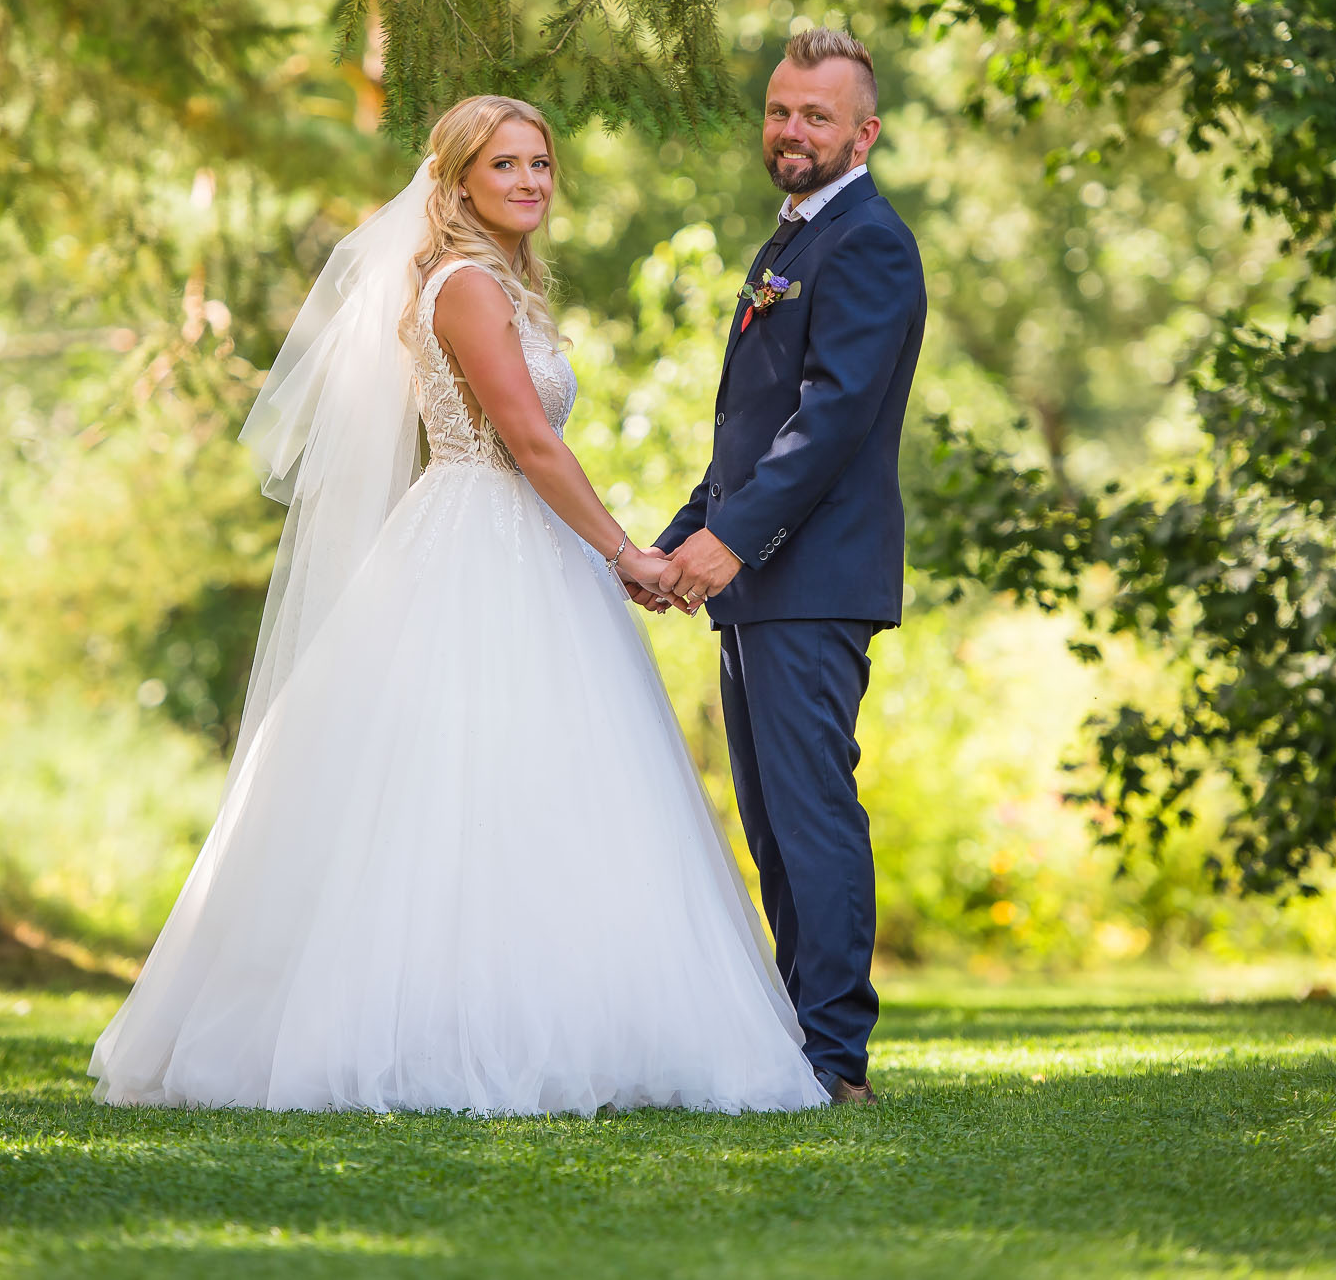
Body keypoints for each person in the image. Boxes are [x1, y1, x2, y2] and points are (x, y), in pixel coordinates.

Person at [89, 94, 828, 1115]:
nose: (529, 180)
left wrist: (609, 551)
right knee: (454, 781)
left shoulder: (503, 285)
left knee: (544, 784)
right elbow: (527, 442)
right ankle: (436, 1028)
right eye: (504, 164)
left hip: (525, 542)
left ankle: (562, 1016)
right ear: (459, 183)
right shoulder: (468, 286)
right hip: (479, 536)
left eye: (540, 162)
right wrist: (625, 552)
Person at [643, 28, 929, 1106]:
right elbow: (752, 432)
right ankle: (799, 1039)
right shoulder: (792, 240)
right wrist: (680, 536)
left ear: (865, 132)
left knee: (810, 814)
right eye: (778, 110)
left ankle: (835, 1057)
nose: (791, 129)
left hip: (813, 579)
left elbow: (831, 420)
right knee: (770, 821)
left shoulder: (868, 241)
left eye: (816, 114)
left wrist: (729, 540)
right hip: (759, 578)